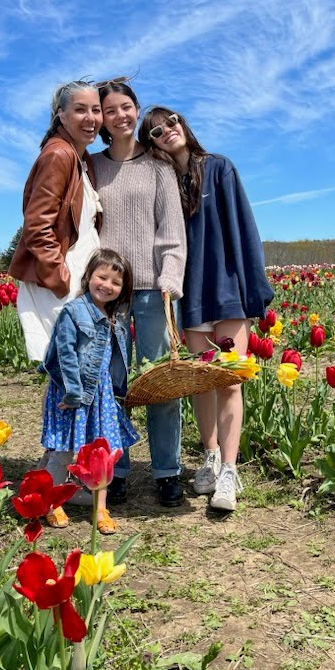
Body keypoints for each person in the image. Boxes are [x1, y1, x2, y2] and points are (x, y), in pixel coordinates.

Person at [140, 106, 274, 512]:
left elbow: (244, 227)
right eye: (156, 132)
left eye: (172, 122)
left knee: (229, 380)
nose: (167, 132)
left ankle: (230, 472)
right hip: (190, 292)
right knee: (201, 381)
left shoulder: (219, 168)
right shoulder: (163, 182)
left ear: (184, 124)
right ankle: (211, 458)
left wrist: (254, 288)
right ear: (152, 144)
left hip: (226, 288)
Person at [91, 80, 187, 507]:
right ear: (102, 120)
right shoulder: (91, 167)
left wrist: (171, 278)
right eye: (110, 111)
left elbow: (172, 233)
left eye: (126, 107)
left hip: (152, 291)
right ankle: (118, 469)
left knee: (159, 382)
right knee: (113, 384)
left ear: (136, 110)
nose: (120, 116)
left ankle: (168, 469)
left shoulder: (159, 167)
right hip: (109, 291)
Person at [7, 80, 103, 495]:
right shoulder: (59, 154)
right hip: (58, 287)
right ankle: (57, 480)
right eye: (80, 110)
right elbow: (38, 224)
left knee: (72, 376)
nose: (92, 118)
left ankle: (56, 471)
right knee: (72, 376)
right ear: (60, 115)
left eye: (96, 110)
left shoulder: (78, 158)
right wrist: (61, 279)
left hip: (73, 281)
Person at [40, 249, 138, 533]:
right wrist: (73, 391)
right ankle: (52, 502)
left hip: (102, 396)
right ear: (89, 276)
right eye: (102, 277)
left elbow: (117, 359)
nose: (107, 285)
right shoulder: (74, 311)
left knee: (102, 452)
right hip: (72, 392)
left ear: (122, 290)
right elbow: (64, 353)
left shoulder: (116, 318)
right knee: (64, 449)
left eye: (115, 282)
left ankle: (101, 508)